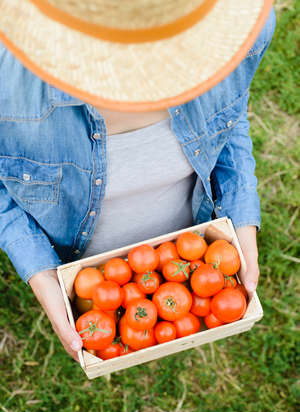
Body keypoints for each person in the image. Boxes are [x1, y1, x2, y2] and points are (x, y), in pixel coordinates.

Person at [0, 0, 275, 361]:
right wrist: (40, 271)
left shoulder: (241, 30)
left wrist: (240, 214)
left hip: (180, 261)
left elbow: (230, 115)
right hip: (88, 267)